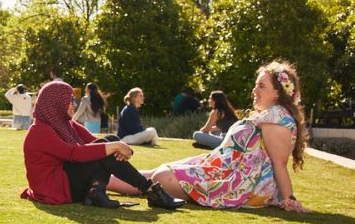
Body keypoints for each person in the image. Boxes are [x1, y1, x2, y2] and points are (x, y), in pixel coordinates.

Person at [109, 60, 309, 212]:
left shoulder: (279, 119)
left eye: (261, 86)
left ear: (278, 92)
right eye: (256, 85)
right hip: (218, 168)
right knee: (157, 172)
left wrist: (289, 198)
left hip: (236, 183)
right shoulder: (270, 115)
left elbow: (279, 162)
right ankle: (98, 174)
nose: (254, 90)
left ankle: (95, 178)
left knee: (160, 178)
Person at [20, 81, 185, 209]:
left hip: (66, 180)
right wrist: (115, 147)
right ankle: (149, 190)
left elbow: (95, 142)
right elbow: (73, 154)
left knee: (110, 139)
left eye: (73, 99)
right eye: (69, 100)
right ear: (55, 102)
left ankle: (96, 192)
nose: (74, 104)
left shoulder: (65, 124)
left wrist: (116, 145)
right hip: (54, 188)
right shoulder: (40, 131)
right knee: (108, 146)